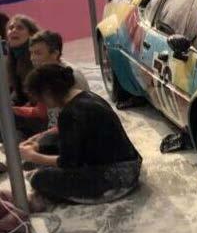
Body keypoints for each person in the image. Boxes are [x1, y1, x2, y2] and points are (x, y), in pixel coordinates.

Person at [20, 64, 142, 203]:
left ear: (48, 92)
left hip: (117, 178)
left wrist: (34, 157)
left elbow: (67, 162)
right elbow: (73, 142)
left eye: (41, 99)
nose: (42, 103)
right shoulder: (86, 96)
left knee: (39, 179)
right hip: (129, 167)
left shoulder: (70, 113)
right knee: (45, 147)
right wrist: (39, 147)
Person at [6, 15, 39, 106]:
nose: (13, 30)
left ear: (31, 34)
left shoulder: (38, 56)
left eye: (20, 28)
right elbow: (16, 91)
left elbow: (39, 97)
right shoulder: (10, 56)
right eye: (10, 28)